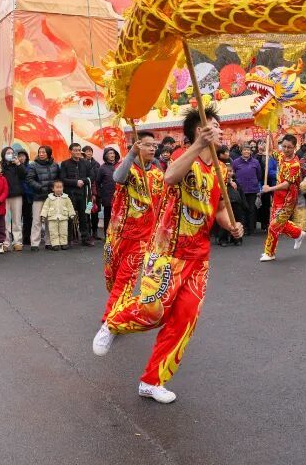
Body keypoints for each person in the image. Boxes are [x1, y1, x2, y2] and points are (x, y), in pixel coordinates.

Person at [95, 107, 243, 405]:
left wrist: (231, 224)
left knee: (184, 320)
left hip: (198, 258)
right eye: (210, 126)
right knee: (154, 311)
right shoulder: (181, 157)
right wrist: (199, 145)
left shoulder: (221, 168)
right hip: (166, 253)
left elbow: (219, 207)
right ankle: (113, 322)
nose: (217, 130)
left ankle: (152, 381)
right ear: (196, 133)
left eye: (217, 126)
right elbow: (171, 178)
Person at [102, 131, 164, 314]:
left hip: (142, 236)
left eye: (155, 145)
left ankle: (110, 320)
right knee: (111, 273)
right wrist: (131, 154)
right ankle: (119, 304)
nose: (153, 148)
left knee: (126, 277)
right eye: (148, 144)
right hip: (118, 231)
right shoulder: (128, 166)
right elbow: (118, 178)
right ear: (138, 146)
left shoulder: (157, 172)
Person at [260, 134, 306, 261]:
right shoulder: (280, 155)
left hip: (288, 199)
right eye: (284, 146)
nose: (286, 149)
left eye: (289, 147)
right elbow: (270, 151)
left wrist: (269, 189)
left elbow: (286, 184)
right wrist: (269, 136)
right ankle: (298, 233)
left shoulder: (295, 164)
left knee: (274, 226)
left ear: (294, 147)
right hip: (278, 196)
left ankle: (269, 253)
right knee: (278, 223)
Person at [60, 142, 97, 246]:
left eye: (78, 150)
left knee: (84, 215)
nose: (77, 152)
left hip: (84, 194)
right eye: (75, 150)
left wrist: (83, 181)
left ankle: (85, 238)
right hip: (70, 194)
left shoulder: (86, 163)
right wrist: (75, 182)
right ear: (70, 151)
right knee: (69, 216)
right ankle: (68, 239)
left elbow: (92, 176)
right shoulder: (65, 163)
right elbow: (62, 179)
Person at [25, 146, 58, 251]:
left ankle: (49, 242)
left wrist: (55, 189)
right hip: (38, 196)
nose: (41, 154)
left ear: (48, 153)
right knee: (36, 220)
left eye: (43, 152)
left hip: (51, 197)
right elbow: (29, 179)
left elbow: (58, 179)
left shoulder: (55, 165)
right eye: (40, 152)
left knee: (50, 220)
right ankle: (34, 243)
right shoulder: (33, 165)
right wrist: (40, 187)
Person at [231, 145, 262, 236]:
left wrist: (257, 184)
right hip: (240, 190)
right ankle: (243, 229)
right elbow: (232, 174)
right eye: (244, 150)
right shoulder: (236, 162)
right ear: (241, 151)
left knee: (252, 209)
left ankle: (251, 229)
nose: (246, 152)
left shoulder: (255, 162)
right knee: (241, 210)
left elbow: (259, 175)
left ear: (250, 152)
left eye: (248, 150)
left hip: (252, 189)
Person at [0, 146, 26, 251]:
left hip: (17, 195)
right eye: (7, 153)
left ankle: (17, 242)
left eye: (11, 153)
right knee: (4, 220)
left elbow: (24, 175)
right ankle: (5, 243)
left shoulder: (17, 165)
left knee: (17, 219)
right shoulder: (0, 165)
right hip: (3, 196)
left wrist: (18, 164)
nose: (10, 154)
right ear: (3, 154)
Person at [41, 180, 77, 250]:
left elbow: (70, 206)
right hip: (52, 218)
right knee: (53, 232)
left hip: (63, 217)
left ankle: (63, 243)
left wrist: (71, 214)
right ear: (53, 189)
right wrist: (43, 215)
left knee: (63, 231)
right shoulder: (49, 198)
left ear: (63, 188)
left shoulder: (66, 198)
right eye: (57, 187)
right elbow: (45, 207)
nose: (59, 189)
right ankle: (55, 244)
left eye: (60, 187)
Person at [96, 147, 121, 240]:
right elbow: (97, 182)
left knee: (118, 216)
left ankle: (117, 236)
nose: (112, 155)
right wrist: (100, 195)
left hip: (119, 196)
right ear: (106, 156)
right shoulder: (102, 168)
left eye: (113, 153)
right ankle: (108, 236)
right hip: (107, 196)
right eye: (110, 153)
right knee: (108, 217)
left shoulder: (119, 165)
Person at [16, 150, 35, 248]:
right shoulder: (14, 167)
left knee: (28, 217)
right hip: (17, 194)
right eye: (19, 156)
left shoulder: (30, 167)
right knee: (17, 217)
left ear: (26, 157)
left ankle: (27, 238)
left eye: (23, 156)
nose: (21, 158)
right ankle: (17, 238)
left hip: (27, 195)